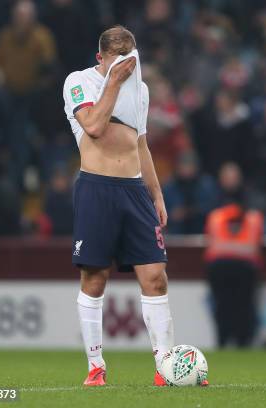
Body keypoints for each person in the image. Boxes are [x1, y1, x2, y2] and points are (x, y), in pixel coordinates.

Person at [62, 26, 190, 387]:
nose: (126, 67)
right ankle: (95, 367)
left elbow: (142, 144)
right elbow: (95, 127)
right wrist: (114, 82)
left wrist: (156, 194)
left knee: (155, 276)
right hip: (97, 188)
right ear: (100, 57)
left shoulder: (142, 91)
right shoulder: (79, 82)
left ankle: (166, 368)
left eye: (130, 59)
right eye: (118, 59)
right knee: (95, 278)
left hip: (134, 191)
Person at [205, 166, 264, 348]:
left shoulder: (216, 214)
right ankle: (232, 341)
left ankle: (236, 342)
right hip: (232, 266)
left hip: (232, 266)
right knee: (228, 307)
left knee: (237, 307)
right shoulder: (216, 210)